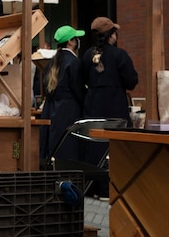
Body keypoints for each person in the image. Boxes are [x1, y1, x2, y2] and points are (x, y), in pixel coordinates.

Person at [81, 16, 138, 199]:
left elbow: (81, 79)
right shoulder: (119, 55)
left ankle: (93, 188)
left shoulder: (87, 55)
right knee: (114, 148)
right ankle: (110, 189)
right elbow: (132, 81)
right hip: (115, 107)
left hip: (92, 106)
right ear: (112, 36)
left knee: (93, 146)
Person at [39, 25, 86, 167]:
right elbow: (78, 89)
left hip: (50, 108)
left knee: (52, 145)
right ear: (71, 41)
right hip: (68, 109)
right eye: (76, 38)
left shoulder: (52, 62)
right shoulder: (74, 62)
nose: (78, 40)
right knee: (68, 148)